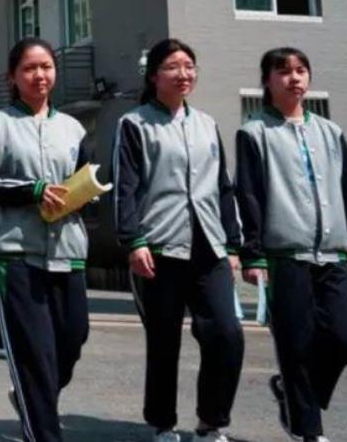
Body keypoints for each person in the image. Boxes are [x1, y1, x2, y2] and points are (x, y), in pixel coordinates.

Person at [113, 38, 244, 442]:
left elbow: (223, 188)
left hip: (209, 246)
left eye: (189, 65)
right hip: (158, 248)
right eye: (173, 66)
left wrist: (234, 244)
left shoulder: (207, 124)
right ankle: (162, 423)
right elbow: (126, 188)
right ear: (154, 76)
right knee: (164, 341)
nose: (183, 73)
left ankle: (210, 421)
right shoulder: (134, 124)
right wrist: (134, 241)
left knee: (226, 334)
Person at [235, 47, 347, 442]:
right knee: (295, 345)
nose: (294, 78)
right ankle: (307, 429)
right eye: (284, 72)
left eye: (301, 71)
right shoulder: (254, 132)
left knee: (345, 338)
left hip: (331, 253)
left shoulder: (330, 132)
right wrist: (253, 253)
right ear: (268, 81)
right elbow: (250, 195)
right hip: (283, 255)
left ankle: (291, 395)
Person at [0, 37, 91, 442]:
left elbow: (83, 179)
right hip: (16, 255)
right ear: (13, 77)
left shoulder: (72, 128)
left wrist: (83, 192)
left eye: (47, 67)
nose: (40, 75)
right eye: (30, 69)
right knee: (35, 356)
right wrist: (31, 190)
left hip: (67, 252)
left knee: (72, 340)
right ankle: (43, 432)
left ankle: (31, 399)